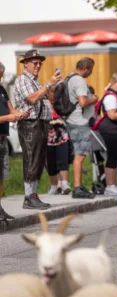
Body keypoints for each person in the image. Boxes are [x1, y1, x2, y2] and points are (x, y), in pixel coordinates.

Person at [14, 49, 61, 209]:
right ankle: (28, 197)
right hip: (30, 124)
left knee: (39, 161)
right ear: (25, 64)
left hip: (39, 123)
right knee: (31, 159)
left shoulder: (34, 80)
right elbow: (32, 98)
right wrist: (49, 85)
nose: (38, 65)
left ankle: (33, 195)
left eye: (40, 62)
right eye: (35, 62)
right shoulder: (22, 80)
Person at [0, 61, 30, 220]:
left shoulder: (2, 90)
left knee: (1, 175)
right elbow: (8, 115)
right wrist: (8, 117)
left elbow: (12, 109)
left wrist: (20, 114)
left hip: (3, 139)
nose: (1, 79)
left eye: (1, 76)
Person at [65, 57, 97, 199]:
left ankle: (78, 185)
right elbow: (83, 102)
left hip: (73, 120)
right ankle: (77, 187)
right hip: (79, 121)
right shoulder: (79, 81)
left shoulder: (69, 78)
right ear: (85, 68)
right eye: (91, 70)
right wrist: (94, 99)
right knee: (80, 155)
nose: (91, 73)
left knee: (79, 154)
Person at [47, 87, 71, 195]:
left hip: (62, 136)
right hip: (49, 138)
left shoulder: (61, 104)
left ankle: (65, 184)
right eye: (51, 93)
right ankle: (53, 186)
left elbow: (67, 114)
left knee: (63, 161)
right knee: (51, 163)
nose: (53, 95)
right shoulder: (44, 104)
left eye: (55, 93)